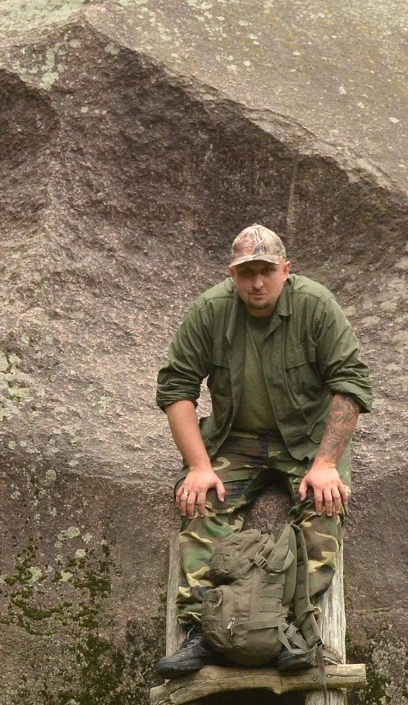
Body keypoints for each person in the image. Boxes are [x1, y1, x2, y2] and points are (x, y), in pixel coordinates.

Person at [154, 224, 374, 679]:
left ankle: (293, 631)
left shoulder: (315, 305)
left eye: (267, 271)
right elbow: (176, 387)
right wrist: (197, 467)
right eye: (246, 272)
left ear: (286, 270)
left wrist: (327, 464)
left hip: (308, 442)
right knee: (201, 505)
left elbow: (350, 382)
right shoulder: (211, 311)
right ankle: (204, 629)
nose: (257, 283)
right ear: (231, 274)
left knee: (323, 507)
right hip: (237, 437)